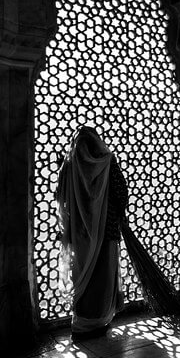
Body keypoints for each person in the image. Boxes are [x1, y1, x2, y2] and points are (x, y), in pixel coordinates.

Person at [56, 126, 128, 339]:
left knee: (83, 274)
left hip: (80, 231)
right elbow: (121, 193)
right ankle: (98, 322)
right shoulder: (107, 162)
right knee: (103, 277)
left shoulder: (69, 165)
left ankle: (82, 323)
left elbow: (61, 195)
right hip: (106, 229)